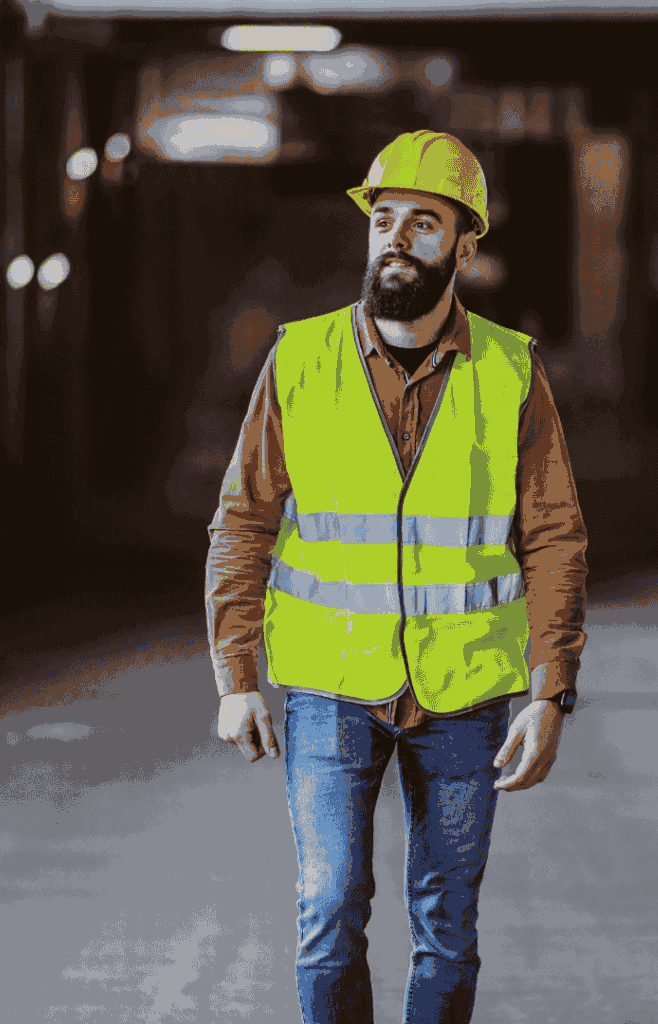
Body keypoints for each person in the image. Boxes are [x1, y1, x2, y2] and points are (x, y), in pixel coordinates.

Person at [207, 130, 588, 1024]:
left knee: (447, 925)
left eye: (425, 221)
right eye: (384, 218)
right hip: (329, 684)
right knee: (329, 909)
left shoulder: (512, 370)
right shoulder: (298, 359)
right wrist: (235, 675)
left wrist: (550, 690)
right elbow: (243, 520)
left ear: (465, 244)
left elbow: (555, 536)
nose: (398, 237)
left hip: (465, 693)